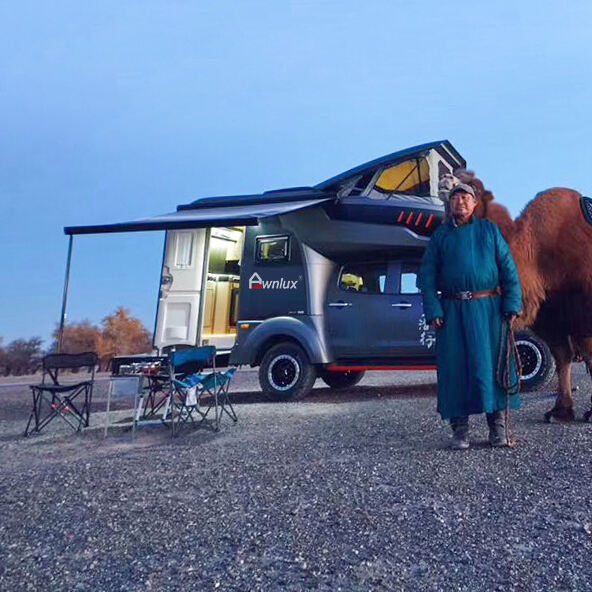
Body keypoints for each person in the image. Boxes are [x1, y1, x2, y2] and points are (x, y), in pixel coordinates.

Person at [419, 183, 522, 449]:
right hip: (452, 312)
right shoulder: (440, 237)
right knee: (455, 369)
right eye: (456, 198)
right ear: (450, 204)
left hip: (488, 310)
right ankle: (460, 432)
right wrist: (433, 309)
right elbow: (427, 276)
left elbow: (508, 269)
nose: (461, 202)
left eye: (466, 198)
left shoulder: (489, 231)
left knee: (493, 365)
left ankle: (497, 429)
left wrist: (511, 304)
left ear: (475, 204)